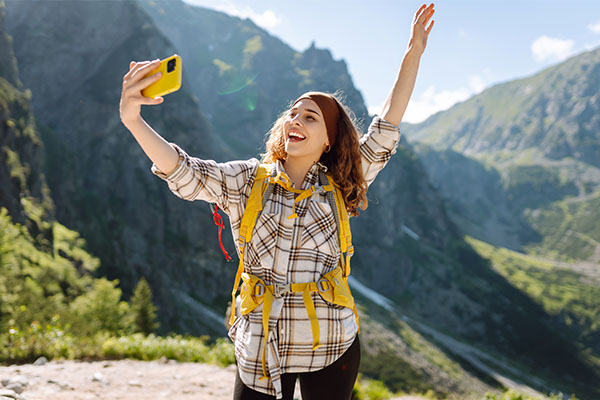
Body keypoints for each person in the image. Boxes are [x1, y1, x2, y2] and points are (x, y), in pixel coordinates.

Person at [119, 4, 434, 399]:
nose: (296, 121)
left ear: (328, 141)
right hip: (260, 347)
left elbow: (386, 124)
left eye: (311, 117)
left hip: (332, 344)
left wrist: (413, 52)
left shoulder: (339, 183)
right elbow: (186, 172)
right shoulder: (248, 179)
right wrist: (134, 120)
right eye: (293, 113)